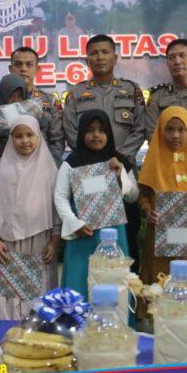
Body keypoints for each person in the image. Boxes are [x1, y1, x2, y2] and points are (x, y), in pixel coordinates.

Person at [63, 34, 146, 271]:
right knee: (90, 234)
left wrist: (118, 158)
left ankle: (129, 287)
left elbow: (140, 128)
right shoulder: (76, 93)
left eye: (105, 52)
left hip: (123, 173)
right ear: (87, 59)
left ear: (115, 57)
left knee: (127, 234)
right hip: (88, 176)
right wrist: (94, 161)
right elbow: (70, 130)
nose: (99, 57)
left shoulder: (131, 90)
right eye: (94, 53)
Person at [137, 106, 187, 315]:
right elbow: (143, 194)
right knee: (160, 282)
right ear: (160, 131)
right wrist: (148, 210)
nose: (175, 135)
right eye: (169, 129)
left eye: (181, 130)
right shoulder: (153, 160)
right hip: (159, 236)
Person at [54, 110, 139, 298]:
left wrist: (120, 175)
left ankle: (112, 316)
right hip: (83, 232)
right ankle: (78, 314)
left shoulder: (119, 161)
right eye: (90, 130)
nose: (96, 135)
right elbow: (60, 197)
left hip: (113, 235)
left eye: (101, 130)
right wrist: (74, 223)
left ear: (109, 133)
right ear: (81, 133)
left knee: (113, 282)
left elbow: (132, 196)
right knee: (80, 279)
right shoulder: (72, 163)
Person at [0, 116, 59, 320]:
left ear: (39, 136)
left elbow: (56, 209)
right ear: (11, 139)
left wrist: (55, 241)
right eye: (18, 136)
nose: (25, 140)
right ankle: (6, 329)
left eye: (30, 135)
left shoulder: (50, 170)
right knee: (9, 288)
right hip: (8, 243)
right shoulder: (5, 170)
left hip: (40, 242)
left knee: (38, 288)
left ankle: (38, 329)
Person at [0, 47, 65, 164]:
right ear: (10, 69)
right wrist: (11, 128)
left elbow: (57, 140)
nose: (23, 69)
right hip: (6, 165)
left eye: (29, 64)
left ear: (37, 69)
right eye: (18, 64)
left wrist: (50, 165)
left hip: (42, 165)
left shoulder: (50, 101)